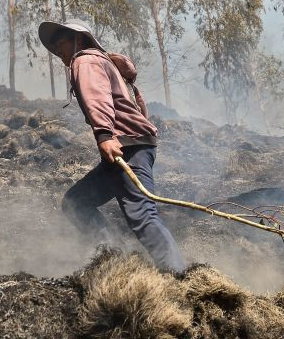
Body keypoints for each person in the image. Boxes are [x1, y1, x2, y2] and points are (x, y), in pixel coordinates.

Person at [38, 21, 186, 272]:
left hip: (127, 146)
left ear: (79, 40)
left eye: (60, 42)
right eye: (54, 46)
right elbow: (137, 109)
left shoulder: (84, 60)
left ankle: (178, 276)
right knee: (76, 202)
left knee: (142, 214)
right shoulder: (104, 63)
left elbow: (98, 97)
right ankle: (115, 257)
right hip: (134, 144)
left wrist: (105, 134)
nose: (57, 49)